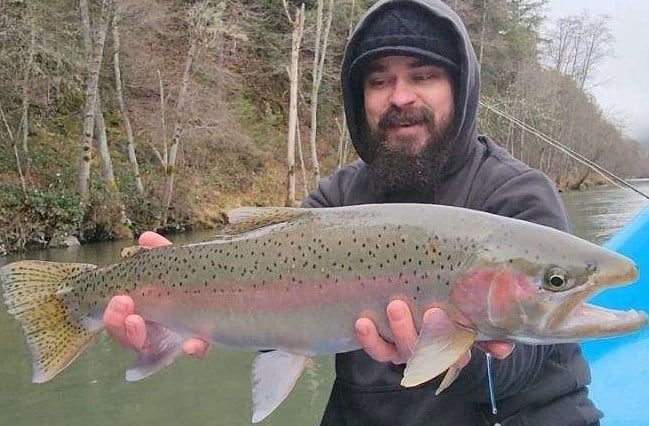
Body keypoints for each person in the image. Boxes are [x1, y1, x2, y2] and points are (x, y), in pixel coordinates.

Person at [104, 0, 602, 424]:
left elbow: (539, 361)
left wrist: (459, 353)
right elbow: (278, 320)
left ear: (459, 88)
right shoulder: (334, 199)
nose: (400, 96)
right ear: (359, 98)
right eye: (380, 81)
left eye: (423, 76)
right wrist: (166, 322)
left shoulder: (517, 194)